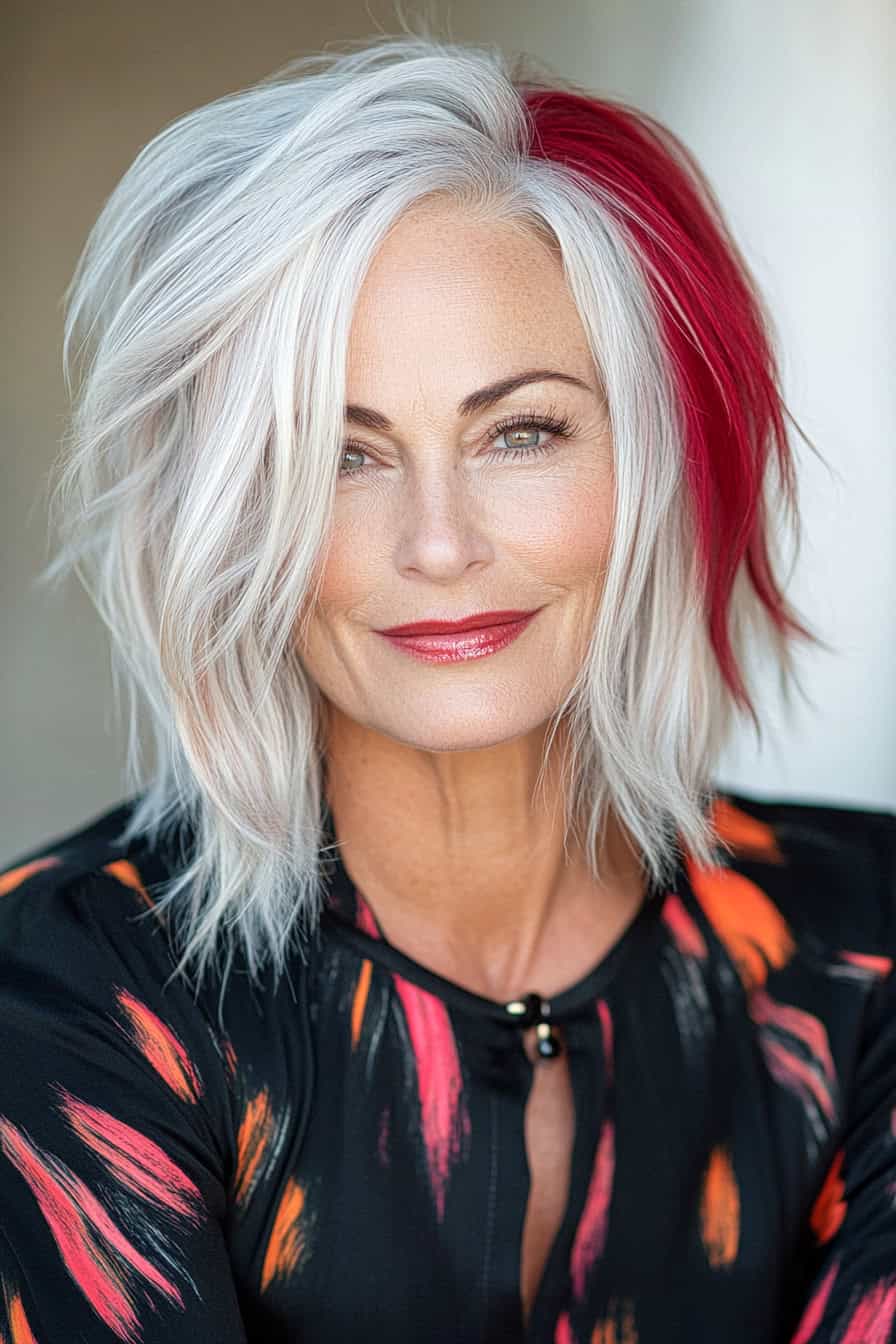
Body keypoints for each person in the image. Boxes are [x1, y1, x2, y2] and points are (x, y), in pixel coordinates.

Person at [1, 29, 894, 1344]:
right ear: (230, 518)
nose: (438, 541)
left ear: (656, 460)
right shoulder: (68, 997)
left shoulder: (862, 953)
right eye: (340, 455)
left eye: (518, 431)